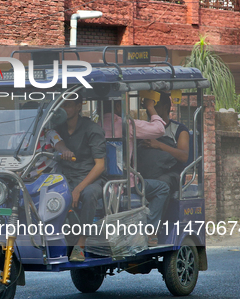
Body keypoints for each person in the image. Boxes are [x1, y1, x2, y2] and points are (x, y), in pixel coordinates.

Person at [102, 98, 170, 246]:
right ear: (119, 105)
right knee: (162, 187)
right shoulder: (127, 125)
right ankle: (150, 230)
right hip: (127, 184)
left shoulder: (94, 126)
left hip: (104, 184)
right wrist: (150, 107)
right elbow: (159, 129)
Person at [53, 97, 106, 262]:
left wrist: (78, 189)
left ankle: (81, 244)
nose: (64, 108)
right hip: (67, 177)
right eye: (61, 105)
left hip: (91, 179)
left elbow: (100, 166)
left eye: (67, 105)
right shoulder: (58, 129)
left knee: (89, 194)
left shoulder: (92, 129)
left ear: (78, 107)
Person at [138, 92, 190, 195]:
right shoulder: (143, 128)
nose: (150, 110)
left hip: (171, 173)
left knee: (160, 184)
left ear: (165, 107)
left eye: (154, 106)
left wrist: (159, 145)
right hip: (146, 172)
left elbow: (183, 156)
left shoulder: (179, 130)